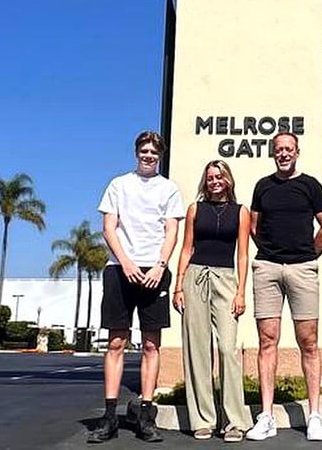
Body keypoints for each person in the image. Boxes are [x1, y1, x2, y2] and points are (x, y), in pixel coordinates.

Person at [90, 131, 186, 444]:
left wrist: (159, 266)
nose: (148, 156)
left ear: (160, 155)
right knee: (116, 343)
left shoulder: (169, 189)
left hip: (154, 272)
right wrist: (127, 263)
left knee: (150, 345)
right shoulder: (118, 185)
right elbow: (109, 228)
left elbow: (171, 231)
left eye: (153, 152)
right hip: (120, 270)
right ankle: (108, 418)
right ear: (136, 153)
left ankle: (146, 415)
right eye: (144, 151)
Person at [245, 132, 322, 442]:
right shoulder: (263, 186)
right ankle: (266, 416)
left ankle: (313, 416)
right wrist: (271, 253)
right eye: (278, 150)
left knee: (308, 341)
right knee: (267, 340)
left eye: (288, 149)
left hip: (302, 268)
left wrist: (307, 254)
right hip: (267, 268)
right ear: (273, 154)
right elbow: (254, 226)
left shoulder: (310, 186)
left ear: (297, 152)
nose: (283, 154)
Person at [173, 160, 253, 442]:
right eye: (210, 178)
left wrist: (241, 291)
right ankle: (203, 419)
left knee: (228, 350)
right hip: (195, 277)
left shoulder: (241, 212)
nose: (215, 181)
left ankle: (233, 421)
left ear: (228, 179)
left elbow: (243, 255)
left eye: (219, 176)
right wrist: (178, 286)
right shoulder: (195, 209)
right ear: (205, 182)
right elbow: (186, 249)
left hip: (227, 280)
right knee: (197, 350)